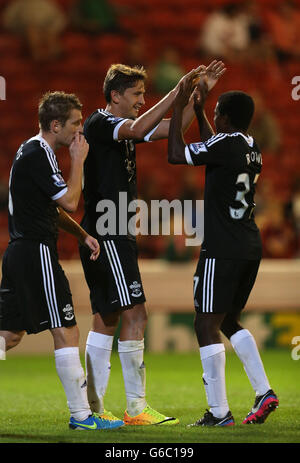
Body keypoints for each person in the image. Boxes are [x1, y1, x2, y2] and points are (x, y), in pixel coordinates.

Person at [79, 61, 226, 425]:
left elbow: (166, 129)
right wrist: (175, 91)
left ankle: (92, 411)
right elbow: (142, 126)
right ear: (115, 96)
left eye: (144, 94)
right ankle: (136, 408)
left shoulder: (119, 126)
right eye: (137, 95)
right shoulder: (101, 123)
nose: (142, 101)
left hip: (113, 230)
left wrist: (194, 98)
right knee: (136, 313)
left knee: (106, 318)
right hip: (108, 231)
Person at [0, 91, 124, 431]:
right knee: (67, 331)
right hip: (36, 252)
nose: (79, 131)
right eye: (74, 123)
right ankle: (82, 416)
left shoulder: (34, 151)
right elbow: (70, 200)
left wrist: (82, 235)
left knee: (8, 335)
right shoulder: (41, 154)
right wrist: (79, 159)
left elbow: (51, 208)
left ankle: (83, 414)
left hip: (18, 253)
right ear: (55, 125)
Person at [167, 71, 279, 426]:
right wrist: (200, 114)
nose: (214, 117)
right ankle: (263, 392)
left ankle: (219, 413)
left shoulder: (226, 144)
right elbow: (214, 150)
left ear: (227, 118)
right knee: (227, 320)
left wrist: (180, 105)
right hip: (248, 245)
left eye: (216, 113)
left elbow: (175, 154)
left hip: (222, 248)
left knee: (204, 324)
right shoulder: (251, 146)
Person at [2, 0, 66, 61]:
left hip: (48, 26)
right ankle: (39, 53)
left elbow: (59, 18)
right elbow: (8, 20)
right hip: (27, 27)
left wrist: (53, 30)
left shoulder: (46, 3)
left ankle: (52, 51)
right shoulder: (19, 4)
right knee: (32, 32)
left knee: (49, 34)